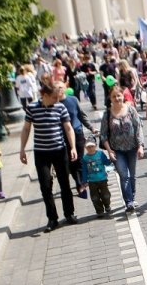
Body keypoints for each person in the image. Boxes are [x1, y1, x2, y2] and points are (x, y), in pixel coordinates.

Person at [19, 78, 78, 231]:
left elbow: (68, 128)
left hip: (59, 150)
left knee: (65, 183)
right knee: (45, 186)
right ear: (44, 95)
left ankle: (69, 213)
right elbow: (26, 129)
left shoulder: (60, 108)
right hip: (41, 153)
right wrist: (22, 149)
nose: (57, 100)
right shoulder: (32, 108)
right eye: (54, 97)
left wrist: (73, 147)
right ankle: (52, 218)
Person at [101, 87, 144, 213]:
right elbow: (103, 134)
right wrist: (109, 150)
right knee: (124, 175)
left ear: (123, 96)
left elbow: (138, 128)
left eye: (118, 95)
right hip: (117, 150)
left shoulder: (130, 109)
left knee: (132, 176)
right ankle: (129, 202)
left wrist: (140, 146)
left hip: (132, 148)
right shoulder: (107, 114)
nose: (117, 98)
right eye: (114, 96)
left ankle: (132, 196)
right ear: (110, 98)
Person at [80, 140, 111, 218]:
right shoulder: (85, 158)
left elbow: (106, 162)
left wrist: (111, 159)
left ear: (95, 146)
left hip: (102, 178)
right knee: (94, 197)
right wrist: (84, 181)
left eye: (92, 146)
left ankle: (107, 205)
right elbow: (84, 170)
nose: (90, 148)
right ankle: (99, 211)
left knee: (106, 195)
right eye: (88, 147)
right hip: (92, 181)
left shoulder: (100, 154)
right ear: (85, 148)